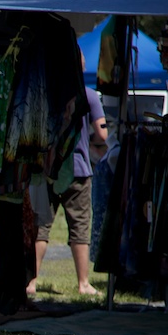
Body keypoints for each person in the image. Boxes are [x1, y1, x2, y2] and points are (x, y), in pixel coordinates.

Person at [27, 55, 106, 297]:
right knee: (79, 227)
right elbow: (102, 134)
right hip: (79, 168)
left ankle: (31, 281)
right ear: (82, 67)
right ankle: (83, 283)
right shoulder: (89, 95)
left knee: (41, 224)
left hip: (49, 168)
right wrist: (93, 144)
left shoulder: (49, 91)